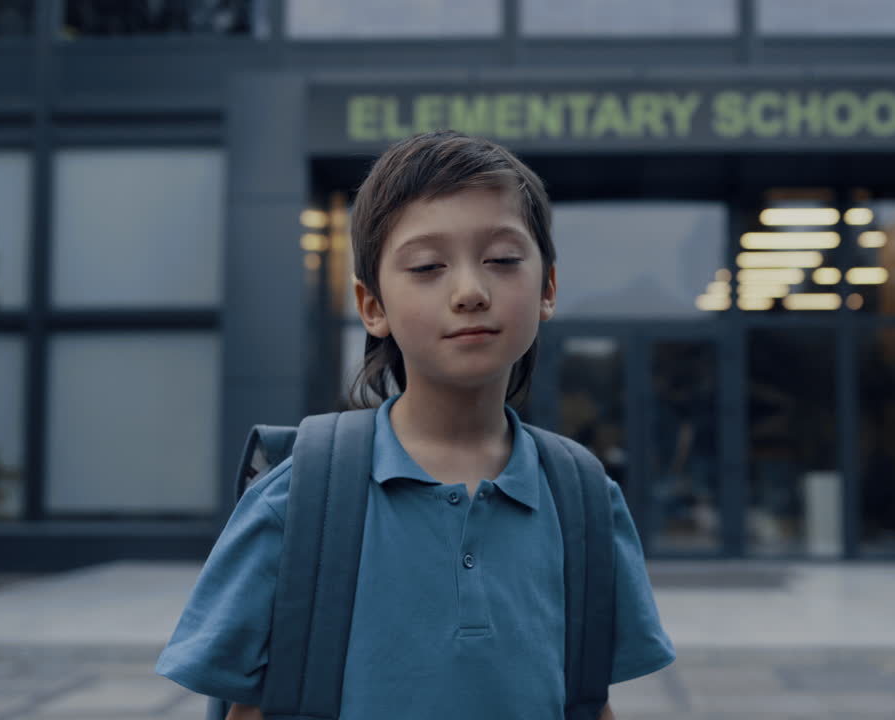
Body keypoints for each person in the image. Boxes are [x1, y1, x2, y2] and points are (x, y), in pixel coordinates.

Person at [155, 131, 676, 719]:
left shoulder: (586, 502)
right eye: (427, 266)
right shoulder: (298, 500)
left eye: (502, 260)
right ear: (372, 306)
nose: (470, 291)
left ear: (548, 287)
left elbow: (588, 700)